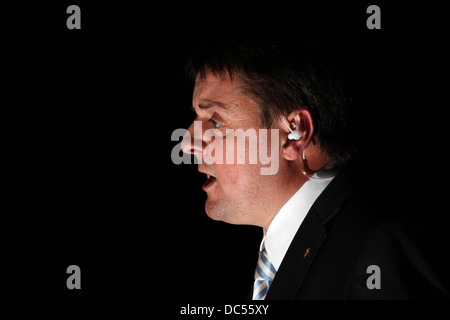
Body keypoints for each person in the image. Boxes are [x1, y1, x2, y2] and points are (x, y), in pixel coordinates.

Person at [180, 41, 448, 299]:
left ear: (294, 133)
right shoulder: (287, 257)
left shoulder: (375, 250)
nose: (186, 142)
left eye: (214, 121)